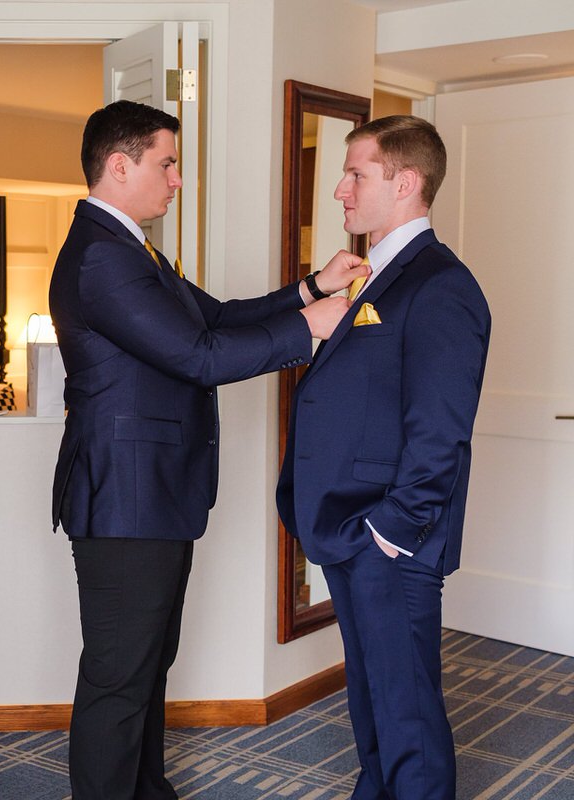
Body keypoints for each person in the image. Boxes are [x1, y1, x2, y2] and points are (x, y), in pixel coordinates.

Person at [49, 100, 364, 800]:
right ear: (120, 164)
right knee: (118, 676)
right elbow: (199, 356)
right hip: (124, 497)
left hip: (151, 493)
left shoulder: (130, 248)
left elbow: (215, 317)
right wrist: (307, 330)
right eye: (167, 163)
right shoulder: (103, 255)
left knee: (146, 663)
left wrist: (311, 289)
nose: (177, 180)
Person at [277, 115, 491, 800]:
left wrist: (391, 532)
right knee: (372, 696)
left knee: (407, 712)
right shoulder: (379, 274)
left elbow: (439, 432)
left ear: (405, 182)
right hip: (350, 526)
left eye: (356, 174)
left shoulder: (441, 286)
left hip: (389, 537)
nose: (340, 189)